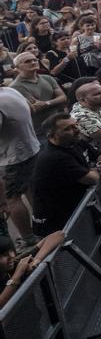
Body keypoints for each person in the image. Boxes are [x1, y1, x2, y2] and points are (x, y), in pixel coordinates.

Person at [30, 114, 101, 236]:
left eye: (75, 125)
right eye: (67, 129)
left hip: (76, 213)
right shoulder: (54, 157)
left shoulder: (76, 141)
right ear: (51, 136)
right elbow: (91, 179)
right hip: (56, 225)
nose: (76, 130)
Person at [0, 88, 41, 254]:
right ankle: (42, 223)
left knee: (13, 199)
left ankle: (29, 238)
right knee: (31, 189)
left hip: (12, 158)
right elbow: (31, 109)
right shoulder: (9, 90)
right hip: (30, 147)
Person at [7, 51, 69, 135]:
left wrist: (46, 103)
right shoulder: (15, 87)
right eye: (27, 61)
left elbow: (63, 97)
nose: (33, 62)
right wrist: (53, 102)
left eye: (35, 60)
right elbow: (36, 107)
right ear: (17, 67)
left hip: (61, 124)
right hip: (41, 130)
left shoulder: (48, 78)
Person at [0, 230, 64, 308]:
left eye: (11, 251)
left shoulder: (14, 263)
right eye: (4, 255)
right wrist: (17, 275)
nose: (11, 256)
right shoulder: (17, 268)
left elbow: (58, 235)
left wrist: (35, 261)